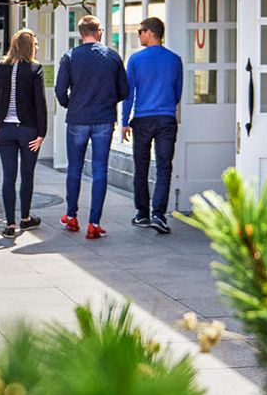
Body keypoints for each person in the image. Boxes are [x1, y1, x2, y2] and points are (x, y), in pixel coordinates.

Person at [55, 15, 129, 240]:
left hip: (77, 118)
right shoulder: (112, 57)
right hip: (104, 119)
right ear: (98, 31)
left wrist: (72, 104)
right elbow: (124, 91)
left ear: (80, 33)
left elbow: (60, 91)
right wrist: (106, 101)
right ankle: (94, 223)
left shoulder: (70, 57)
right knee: (100, 170)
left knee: (74, 168)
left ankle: (71, 216)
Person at [122, 17, 183, 235]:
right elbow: (178, 93)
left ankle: (142, 214)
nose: (138, 35)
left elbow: (128, 94)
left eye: (140, 31)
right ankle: (159, 214)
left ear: (150, 33)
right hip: (166, 118)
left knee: (141, 166)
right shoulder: (175, 60)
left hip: (143, 119)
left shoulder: (136, 60)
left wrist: (123, 122)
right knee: (164, 167)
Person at [0, 29, 47, 238]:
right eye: (35, 44)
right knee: (27, 175)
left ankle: (10, 225)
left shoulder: (0, 68)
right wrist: (42, 132)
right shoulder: (35, 69)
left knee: (9, 176)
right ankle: (25, 219)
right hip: (28, 130)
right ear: (29, 46)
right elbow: (40, 103)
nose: (37, 47)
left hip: (5, 130)